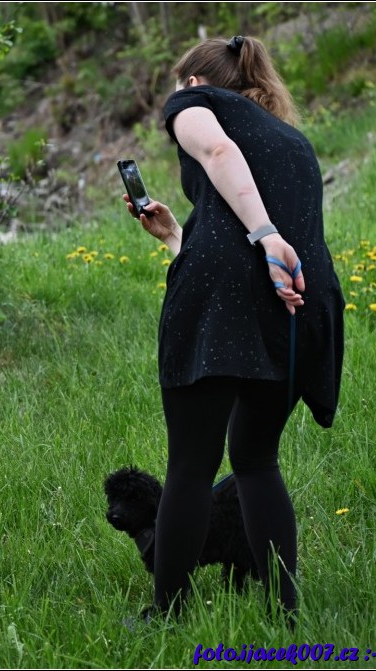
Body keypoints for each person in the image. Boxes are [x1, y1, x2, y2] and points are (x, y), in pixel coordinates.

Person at [123, 36, 345, 623]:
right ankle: (284, 615)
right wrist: (176, 237)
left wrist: (267, 236)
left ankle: (167, 615)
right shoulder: (290, 140)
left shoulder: (195, 106)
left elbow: (219, 156)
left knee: (192, 465)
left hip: (248, 281)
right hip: (304, 302)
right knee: (254, 458)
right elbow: (229, 236)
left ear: (195, 84)